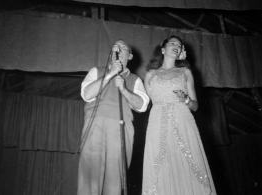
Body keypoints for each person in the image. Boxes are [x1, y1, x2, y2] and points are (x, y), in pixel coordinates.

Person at [141, 35, 217, 195]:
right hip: (157, 122)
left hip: (183, 119)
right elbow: (146, 103)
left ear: (181, 51)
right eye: (173, 43)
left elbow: (195, 106)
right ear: (163, 49)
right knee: (159, 164)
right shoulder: (150, 75)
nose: (177, 45)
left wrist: (187, 99)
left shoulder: (185, 72)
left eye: (180, 45)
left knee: (188, 161)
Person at [77, 40, 149, 195]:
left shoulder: (135, 79)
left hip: (121, 129)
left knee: (115, 181)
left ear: (130, 56)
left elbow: (142, 105)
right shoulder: (96, 71)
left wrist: (124, 89)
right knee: (90, 178)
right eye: (115, 47)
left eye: (123, 47)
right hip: (95, 126)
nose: (118, 48)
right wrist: (109, 74)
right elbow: (86, 94)